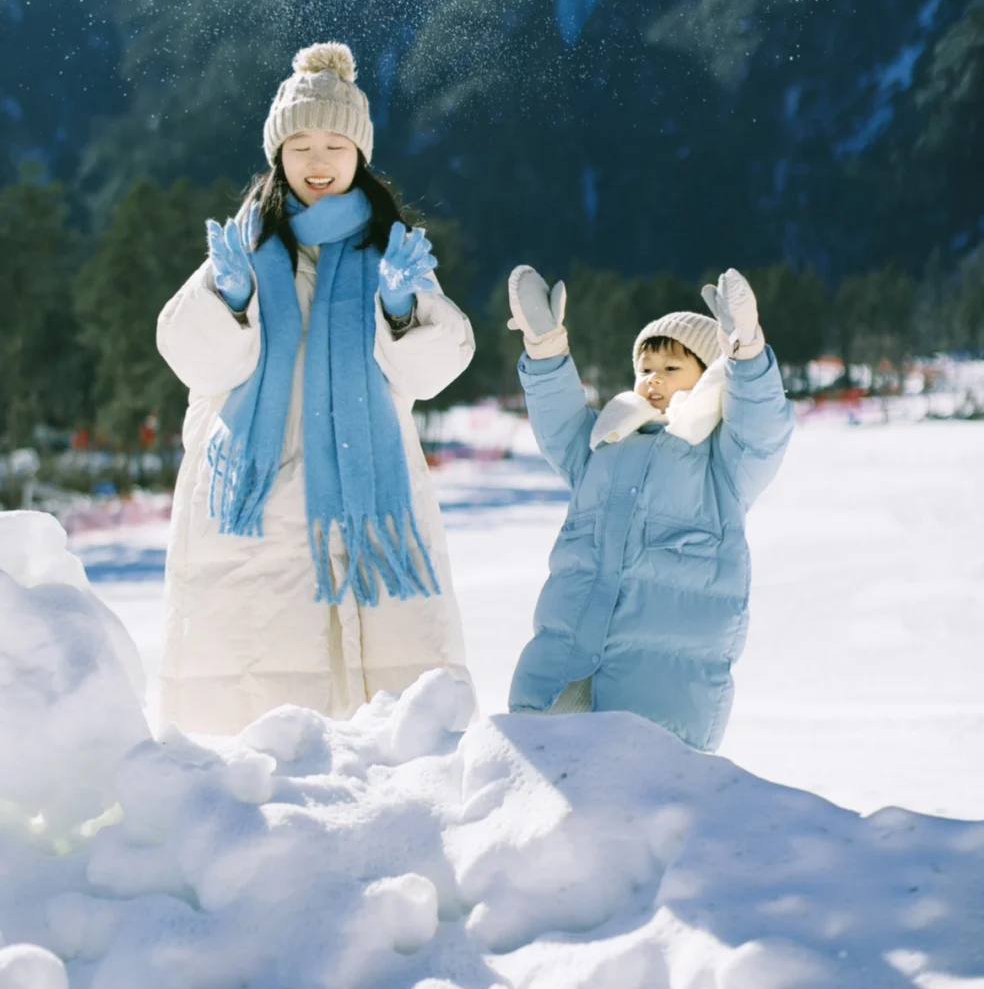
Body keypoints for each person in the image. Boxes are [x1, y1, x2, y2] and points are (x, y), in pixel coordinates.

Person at [156, 42, 474, 735]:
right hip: (255, 498)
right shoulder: (246, 244)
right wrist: (232, 299)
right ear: (278, 155)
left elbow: (431, 371)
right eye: (300, 144)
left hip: (371, 492)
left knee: (393, 698)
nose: (318, 161)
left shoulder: (391, 249)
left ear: (359, 153)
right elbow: (195, 362)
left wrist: (399, 310)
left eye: (335, 142)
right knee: (254, 692)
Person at [505, 264, 793, 750]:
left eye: (671, 369)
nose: (652, 381)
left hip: (661, 685)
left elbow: (765, 428)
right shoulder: (604, 442)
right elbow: (558, 421)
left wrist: (746, 351)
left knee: (641, 798)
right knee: (538, 771)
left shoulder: (723, 460)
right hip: (565, 660)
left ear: (709, 376)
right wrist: (546, 349)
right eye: (644, 370)